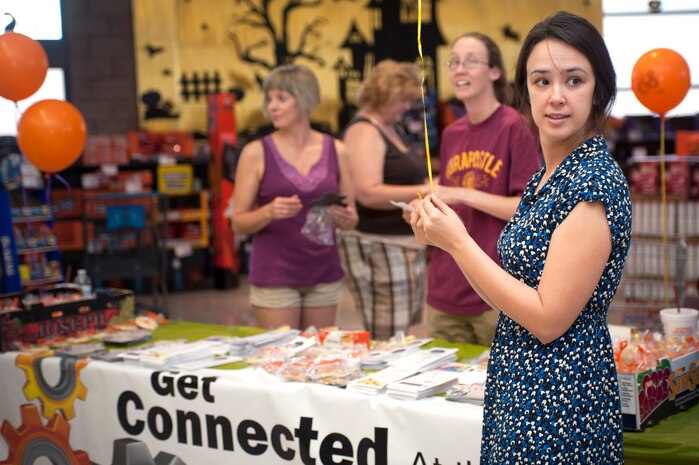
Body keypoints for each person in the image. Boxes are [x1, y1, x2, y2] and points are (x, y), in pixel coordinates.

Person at [411, 11, 631, 463]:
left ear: (599, 91)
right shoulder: (546, 177)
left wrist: (457, 242)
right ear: (524, 91)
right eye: (541, 81)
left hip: (559, 399)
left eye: (573, 80)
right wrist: (445, 238)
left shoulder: (591, 185)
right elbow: (512, 289)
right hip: (519, 384)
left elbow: (548, 318)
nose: (555, 97)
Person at [423, 32, 541, 345]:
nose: (459, 69)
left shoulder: (514, 126)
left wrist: (460, 193)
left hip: (494, 288)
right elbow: (449, 207)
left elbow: (528, 208)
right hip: (445, 287)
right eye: (454, 62)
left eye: (471, 61)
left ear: (494, 72)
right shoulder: (451, 133)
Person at [232, 64, 358, 330]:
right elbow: (238, 222)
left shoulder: (338, 150)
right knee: (281, 359)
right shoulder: (255, 152)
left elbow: (352, 218)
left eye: (281, 98)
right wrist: (268, 212)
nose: (272, 107)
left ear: (304, 99)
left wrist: (343, 217)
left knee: (319, 359)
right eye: (269, 99)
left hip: (324, 273)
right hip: (274, 275)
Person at [338, 59, 430, 340]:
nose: (406, 107)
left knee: (401, 331)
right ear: (385, 95)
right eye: (402, 100)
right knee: (387, 335)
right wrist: (428, 189)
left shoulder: (391, 127)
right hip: (378, 245)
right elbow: (368, 191)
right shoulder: (365, 131)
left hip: (400, 246)